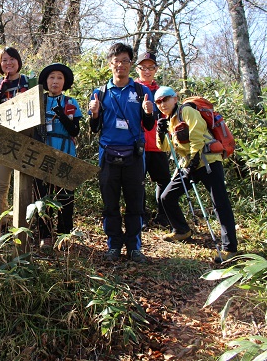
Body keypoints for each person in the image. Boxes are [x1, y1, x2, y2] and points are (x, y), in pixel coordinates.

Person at [154, 86, 238, 263]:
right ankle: (182, 230)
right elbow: (165, 147)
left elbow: (197, 137)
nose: (162, 104)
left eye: (165, 99)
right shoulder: (170, 119)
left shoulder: (188, 111)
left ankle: (230, 248)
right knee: (166, 197)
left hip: (208, 161)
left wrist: (193, 163)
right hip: (188, 164)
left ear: (175, 98)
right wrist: (160, 132)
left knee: (220, 203)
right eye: (158, 102)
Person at [88, 43, 155, 263]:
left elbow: (148, 124)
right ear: (110, 65)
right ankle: (113, 245)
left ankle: (134, 247)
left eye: (125, 61)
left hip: (134, 155)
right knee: (110, 203)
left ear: (130, 64)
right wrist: (95, 114)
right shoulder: (101, 92)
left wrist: (148, 113)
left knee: (135, 202)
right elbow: (94, 128)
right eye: (117, 61)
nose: (121, 65)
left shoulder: (141, 91)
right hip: (107, 154)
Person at [33, 63, 82, 249]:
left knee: (65, 197)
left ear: (65, 82)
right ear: (46, 81)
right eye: (51, 77)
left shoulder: (71, 103)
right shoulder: (39, 101)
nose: (55, 81)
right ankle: (45, 236)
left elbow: (74, 130)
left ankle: (64, 235)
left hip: (65, 153)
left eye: (59, 78)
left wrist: (61, 114)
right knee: (42, 196)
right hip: (42, 155)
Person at [0, 47, 30, 228]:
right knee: (1, 184)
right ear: (0, 64)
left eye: (12, 59)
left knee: (25, 184)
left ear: (18, 61)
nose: (8, 63)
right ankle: (2, 222)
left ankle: (23, 223)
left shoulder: (28, 81)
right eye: (4, 60)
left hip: (24, 139)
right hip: (1, 140)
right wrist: (1, 89)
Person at [133, 52, 171, 229]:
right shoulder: (132, 88)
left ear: (156, 69)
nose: (147, 71)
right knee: (137, 182)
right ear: (137, 69)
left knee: (164, 181)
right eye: (143, 68)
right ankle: (141, 217)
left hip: (158, 145)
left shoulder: (163, 92)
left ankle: (163, 217)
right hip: (137, 143)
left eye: (151, 68)